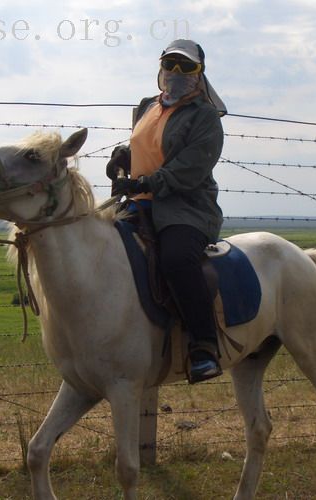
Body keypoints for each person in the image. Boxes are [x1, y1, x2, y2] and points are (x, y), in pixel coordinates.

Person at [106, 39, 227, 384]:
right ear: (159, 68)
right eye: (170, 64)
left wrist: (141, 183)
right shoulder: (147, 106)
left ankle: (204, 347)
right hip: (139, 205)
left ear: (199, 74)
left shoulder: (205, 117)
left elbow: (188, 170)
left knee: (176, 258)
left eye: (186, 67)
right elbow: (145, 147)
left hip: (185, 208)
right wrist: (123, 158)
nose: (176, 73)